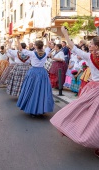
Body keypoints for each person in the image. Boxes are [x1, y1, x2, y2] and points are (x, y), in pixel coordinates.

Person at [50, 26, 99, 157]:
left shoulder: (90, 57)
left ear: (96, 47)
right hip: (95, 88)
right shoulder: (90, 56)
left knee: (88, 115)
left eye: (91, 44)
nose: (89, 45)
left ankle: (88, 135)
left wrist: (65, 33)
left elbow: (73, 47)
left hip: (95, 90)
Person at [16, 36, 54, 116]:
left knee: (31, 90)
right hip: (42, 72)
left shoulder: (32, 53)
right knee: (41, 91)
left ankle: (32, 108)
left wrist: (17, 39)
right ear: (42, 46)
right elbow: (48, 46)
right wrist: (47, 37)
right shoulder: (46, 52)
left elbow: (20, 49)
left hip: (33, 72)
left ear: (36, 46)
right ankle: (40, 109)